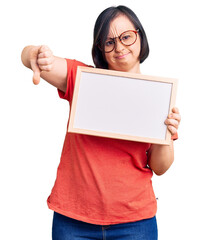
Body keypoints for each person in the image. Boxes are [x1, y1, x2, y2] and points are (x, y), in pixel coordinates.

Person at [21, 5, 181, 240]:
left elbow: (160, 167)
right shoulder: (83, 79)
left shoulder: (158, 95)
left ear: (140, 37)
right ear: (100, 49)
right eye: (109, 42)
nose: (119, 47)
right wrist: (34, 53)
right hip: (73, 220)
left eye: (126, 36)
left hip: (135, 222)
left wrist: (167, 136)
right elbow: (31, 58)